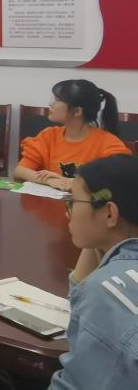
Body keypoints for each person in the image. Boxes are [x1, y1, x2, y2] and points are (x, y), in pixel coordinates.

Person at [50, 154, 138, 390]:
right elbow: (80, 309)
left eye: (72, 202)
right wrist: (98, 241)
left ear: (109, 213)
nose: (67, 213)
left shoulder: (104, 291)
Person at [14, 80, 129, 191]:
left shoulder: (107, 142)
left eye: (57, 100)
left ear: (77, 111)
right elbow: (20, 171)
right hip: (50, 202)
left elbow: (121, 179)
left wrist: (72, 182)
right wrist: (49, 180)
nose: (51, 104)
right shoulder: (48, 135)